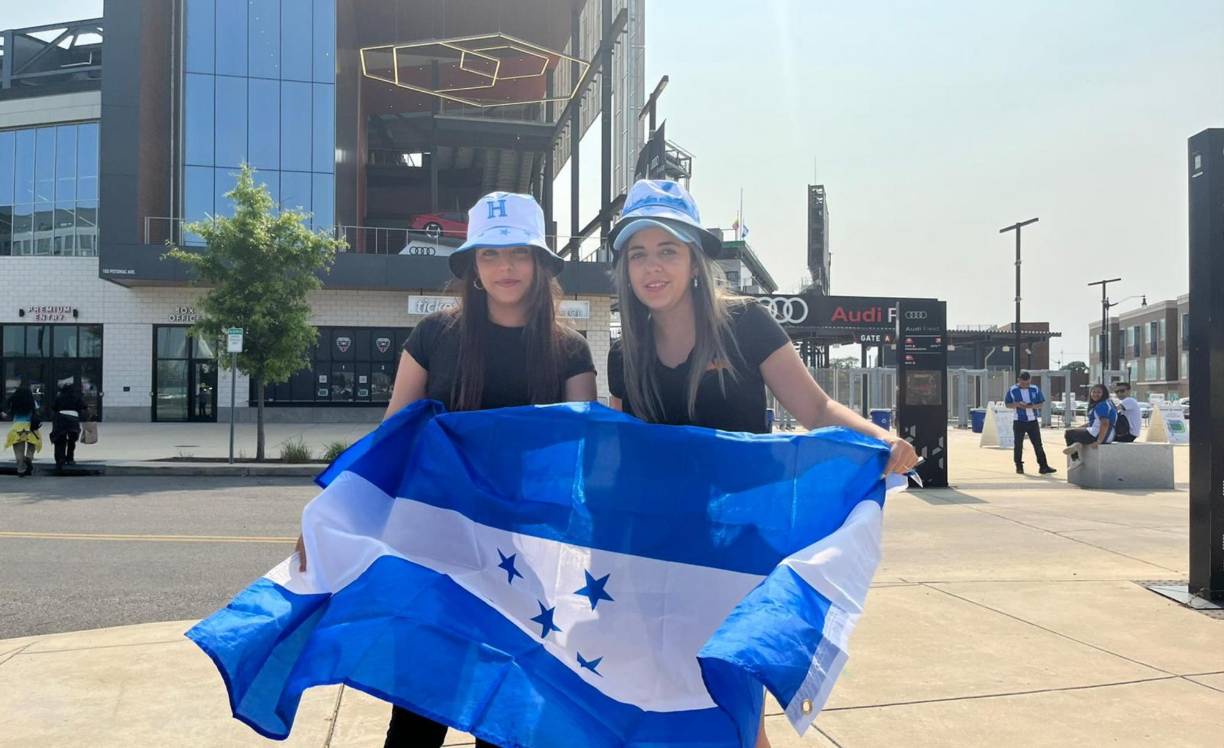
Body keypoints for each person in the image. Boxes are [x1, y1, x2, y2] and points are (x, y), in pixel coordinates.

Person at [605, 179, 919, 748]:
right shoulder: (625, 349)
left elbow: (814, 406)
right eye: (638, 254)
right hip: (655, 543)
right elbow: (623, 448)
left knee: (733, 698)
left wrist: (881, 440)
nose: (653, 267)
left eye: (667, 250)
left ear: (695, 259)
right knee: (663, 692)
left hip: (736, 542)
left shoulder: (744, 322)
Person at [295, 191, 597, 748]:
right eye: (490, 255)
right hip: (436, 541)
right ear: (473, 268)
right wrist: (331, 511)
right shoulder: (435, 336)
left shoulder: (570, 350)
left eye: (519, 254)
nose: (505, 267)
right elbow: (393, 437)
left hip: (524, 550)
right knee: (420, 702)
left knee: (505, 702)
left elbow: (580, 459)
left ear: (540, 264)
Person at [1004, 371, 1057, 475]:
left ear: (1030, 381)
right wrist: (1017, 405)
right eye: (1023, 384)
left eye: (1028, 383)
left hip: (1033, 421)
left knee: (1038, 445)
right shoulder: (1012, 390)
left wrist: (1031, 406)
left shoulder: (1035, 389)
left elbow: (1041, 403)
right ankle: (1019, 466)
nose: (1025, 386)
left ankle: (1043, 466)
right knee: (1018, 444)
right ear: (1018, 380)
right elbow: (1007, 404)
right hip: (1019, 420)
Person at [50, 382, 89, 472]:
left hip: (61, 419)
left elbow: (54, 408)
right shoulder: (76, 397)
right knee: (72, 440)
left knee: (60, 440)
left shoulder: (59, 398)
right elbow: (84, 407)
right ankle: (70, 458)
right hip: (73, 420)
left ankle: (60, 459)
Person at [4, 385, 42, 477]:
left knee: (18, 451)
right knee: (32, 445)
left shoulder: (14, 402)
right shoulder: (33, 402)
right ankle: (29, 457)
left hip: (17, 428)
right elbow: (37, 413)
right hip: (30, 428)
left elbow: (8, 415)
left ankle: (20, 470)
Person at [1064, 384, 1117, 448]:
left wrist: (1099, 441)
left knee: (1068, 433)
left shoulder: (1102, 405)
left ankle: (1075, 457)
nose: (1095, 394)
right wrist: (1078, 428)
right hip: (1107, 435)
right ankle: (1078, 444)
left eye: (1099, 392)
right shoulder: (1107, 403)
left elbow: (1105, 423)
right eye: (1093, 392)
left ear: (1104, 393)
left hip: (1098, 435)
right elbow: (1094, 422)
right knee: (1075, 432)